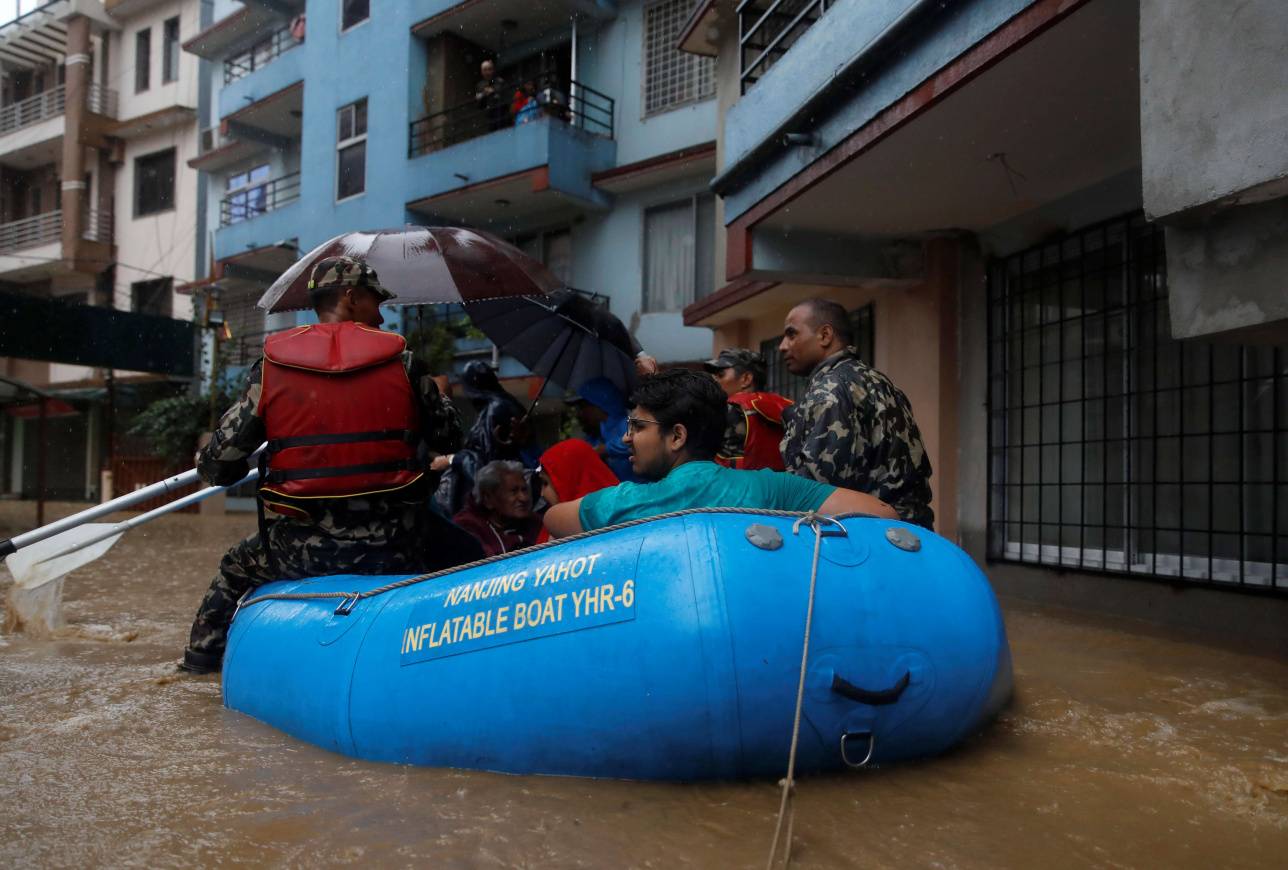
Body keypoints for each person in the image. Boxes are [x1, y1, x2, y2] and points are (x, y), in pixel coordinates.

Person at [180, 256, 484, 674]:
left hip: (301, 551)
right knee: (470, 552)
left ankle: (198, 669)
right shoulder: (404, 363)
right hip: (397, 545)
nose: (382, 313)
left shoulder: (270, 367)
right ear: (350, 296)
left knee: (234, 570)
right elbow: (452, 437)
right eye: (376, 300)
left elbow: (220, 467)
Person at [543, 370, 896, 536]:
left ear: (677, 436)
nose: (625, 438)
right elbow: (881, 512)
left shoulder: (629, 502)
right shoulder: (771, 490)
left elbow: (553, 518)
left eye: (637, 426)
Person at [778, 298, 934, 529]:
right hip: (909, 538)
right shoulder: (878, 381)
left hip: (862, 541)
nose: (782, 346)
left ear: (825, 335)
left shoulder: (829, 391)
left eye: (792, 334)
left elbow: (815, 496)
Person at [431, 360, 531, 516]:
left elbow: (484, 463)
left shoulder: (495, 409)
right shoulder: (501, 405)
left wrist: (452, 459)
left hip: (498, 494)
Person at [703, 348, 792, 471]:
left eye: (720, 375)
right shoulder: (785, 405)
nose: (714, 380)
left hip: (734, 486)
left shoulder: (728, 409)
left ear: (746, 379)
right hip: (778, 486)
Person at [534, 439, 619, 543]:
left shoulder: (617, 516)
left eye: (545, 483)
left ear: (566, 481)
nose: (542, 494)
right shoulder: (555, 525)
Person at [452, 460, 541, 557]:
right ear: (488, 499)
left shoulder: (536, 522)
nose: (524, 498)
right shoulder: (467, 527)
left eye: (524, 490)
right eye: (513, 491)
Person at [572, 376, 643, 483]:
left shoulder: (627, 422)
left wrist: (605, 449)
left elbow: (636, 442)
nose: (579, 413)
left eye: (583, 407)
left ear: (600, 405)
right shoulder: (596, 433)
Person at [474, 59, 507, 131]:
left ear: (493, 70)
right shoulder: (480, 85)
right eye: (485, 70)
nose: (487, 72)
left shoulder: (499, 80)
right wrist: (484, 94)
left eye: (489, 69)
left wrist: (492, 91)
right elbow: (478, 103)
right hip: (488, 116)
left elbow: (503, 93)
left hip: (501, 113)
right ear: (482, 72)